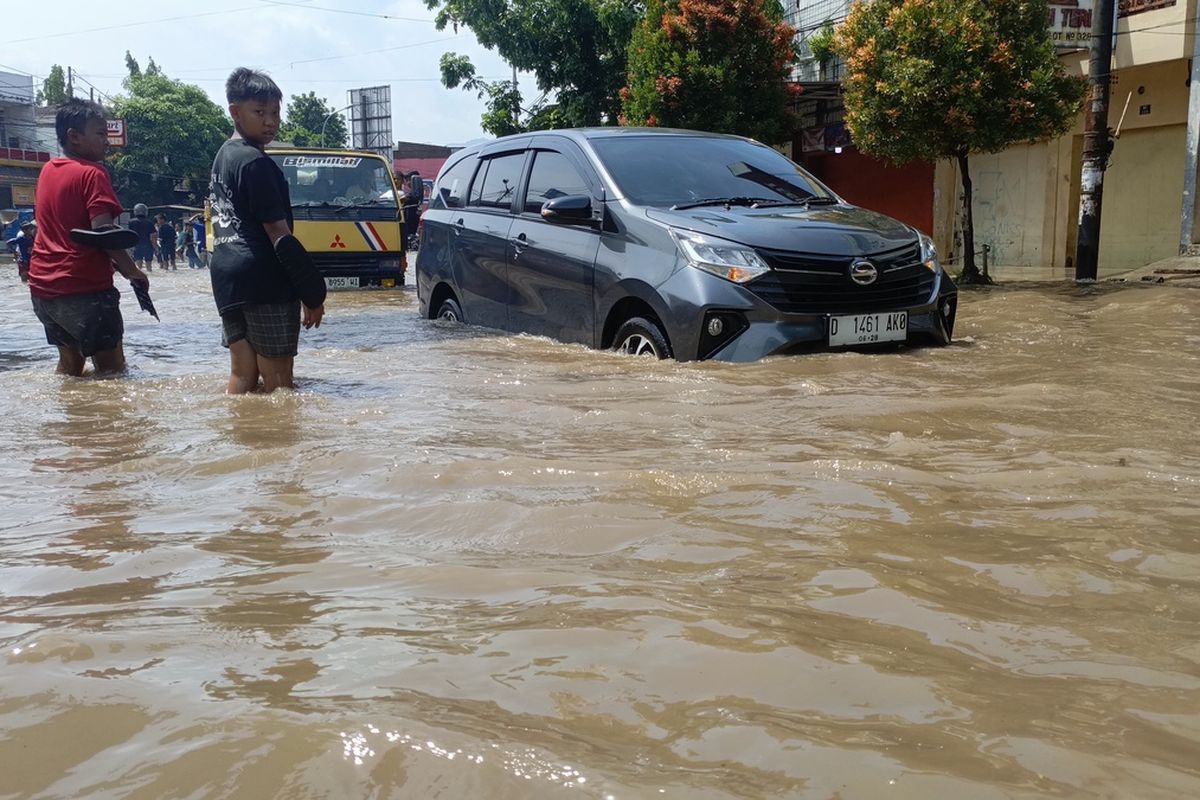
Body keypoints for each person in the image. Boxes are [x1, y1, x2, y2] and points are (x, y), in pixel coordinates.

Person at [208, 67, 326, 394]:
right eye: (259, 112)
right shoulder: (255, 163)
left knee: (242, 376)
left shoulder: (223, 157)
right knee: (279, 387)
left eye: (275, 112)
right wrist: (312, 293)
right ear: (234, 112)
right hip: (264, 280)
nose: (270, 121)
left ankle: (240, 440)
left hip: (227, 278)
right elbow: (279, 235)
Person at [26, 98, 149, 376]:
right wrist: (133, 272)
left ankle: (73, 419)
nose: (107, 141)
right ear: (74, 137)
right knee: (112, 374)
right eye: (101, 134)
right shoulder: (93, 173)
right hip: (83, 290)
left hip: (44, 291)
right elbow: (103, 233)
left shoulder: (48, 170)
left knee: (70, 368)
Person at [128, 203, 155, 272]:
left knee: (138, 266)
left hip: (136, 245)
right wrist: (155, 247)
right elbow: (152, 236)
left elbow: (129, 235)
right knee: (149, 267)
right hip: (148, 245)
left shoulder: (131, 222)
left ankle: (140, 280)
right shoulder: (149, 222)